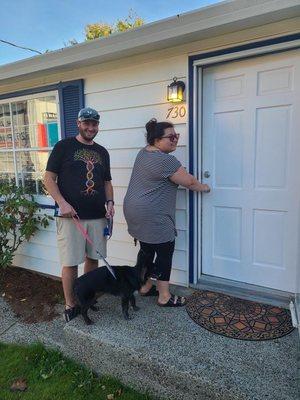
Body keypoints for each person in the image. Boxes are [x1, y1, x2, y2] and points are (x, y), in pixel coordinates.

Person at [123, 118, 210, 307]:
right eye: (170, 137)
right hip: (152, 215)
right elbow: (189, 182)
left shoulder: (143, 153)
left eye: (176, 136)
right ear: (156, 140)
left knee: (146, 250)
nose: (175, 140)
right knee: (164, 251)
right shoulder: (165, 160)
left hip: (134, 211)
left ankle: (145, 286)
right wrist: (205, 187)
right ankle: (164, 296)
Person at [44, 107, 114, 322]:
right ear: (78, 123)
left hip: (97, 216)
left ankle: (86, 297)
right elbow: (48, 178)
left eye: (94, 124)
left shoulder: (102, 152)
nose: (91, 127)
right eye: (87, 123)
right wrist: (62, 203)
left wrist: (110, 203)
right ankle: (70, 303)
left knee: (93, 260)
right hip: (70, 217)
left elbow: (106, 182)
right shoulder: (64, 146)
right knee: (70, 262)